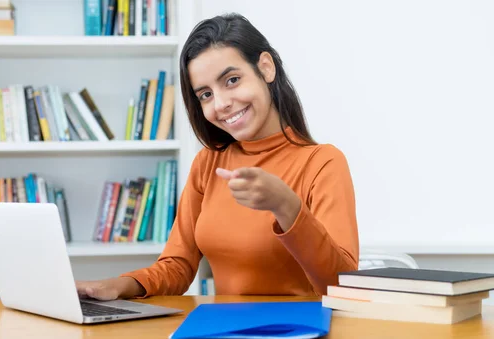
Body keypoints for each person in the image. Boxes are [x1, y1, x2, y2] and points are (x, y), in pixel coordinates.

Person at [76, 13, 359, 301]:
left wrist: (286, 206)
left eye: (232, 80)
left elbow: (341, 286)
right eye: (206, 95)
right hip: (223, 328)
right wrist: (120, 286)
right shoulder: (208, 164)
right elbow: (177, 266)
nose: (221, 104)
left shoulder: (323, 163)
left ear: (266, 68)